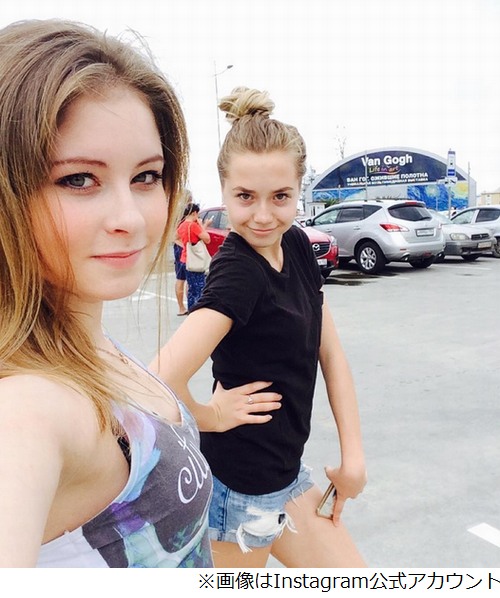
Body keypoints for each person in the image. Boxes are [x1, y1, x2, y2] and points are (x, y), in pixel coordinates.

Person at [0, 18, 216, 568]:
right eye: (78, 179)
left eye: (146, 176)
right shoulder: (29, 406)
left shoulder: (85, 339)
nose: (131, 218)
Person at [151, 87, 367, 568]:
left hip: (285, 477)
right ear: (224, 191)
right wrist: (210, 415)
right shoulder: (238, 272)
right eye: (245, 197)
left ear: (298, 190)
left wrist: (353, 456)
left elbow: (330, 353)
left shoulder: (296, 245)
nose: (264, 216)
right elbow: (157, 379)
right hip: (241, 493)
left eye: (281, 197)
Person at [176, 202, 211, 312]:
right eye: (197, 214)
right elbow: (207, 239)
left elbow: (175, 237)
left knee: (192, 288)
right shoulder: (193, 226)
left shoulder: (182, 225)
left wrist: (185, 245)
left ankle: (191, 310)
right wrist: (202, 224)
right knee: (200, 288)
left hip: (184, 259)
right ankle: (199, 312)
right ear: (194, 213)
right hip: (195, 261)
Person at [173, 197, 193, 316]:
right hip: (181, 250)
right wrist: (185, 246)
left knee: (185, 279)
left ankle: (184, 306)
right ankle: (182, 307)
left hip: (182, 249)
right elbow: (175, 237)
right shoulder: (182, 218)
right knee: (183, 279)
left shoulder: (179, 215)